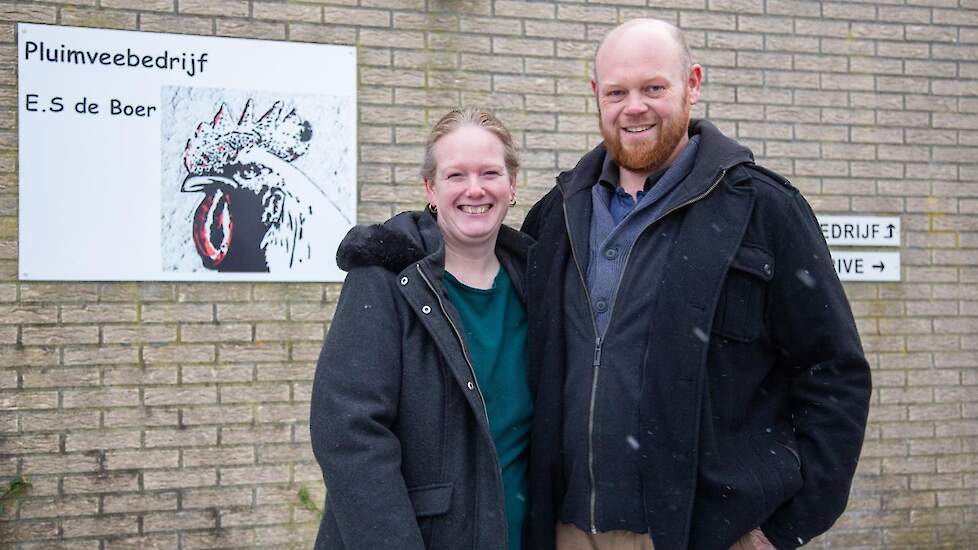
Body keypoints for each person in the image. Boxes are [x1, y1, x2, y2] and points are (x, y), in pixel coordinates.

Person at [521, 19, 872, 550]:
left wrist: (783, 529)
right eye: (616, 92)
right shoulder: (557, 215)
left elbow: (834, 372)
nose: (633, 107)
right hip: (568, 531)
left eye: (653, 88)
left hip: (708, 535)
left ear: (693, 84)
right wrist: (417, 243)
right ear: (596, 94)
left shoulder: (765, 210)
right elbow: (481, 282)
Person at [310, 107, 534, 550]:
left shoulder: (536, 280)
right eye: (456, 175)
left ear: (512, 184)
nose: (475, 189)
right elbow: (349, 432)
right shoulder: (385, 278)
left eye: (490, 173)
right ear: (431, 187)